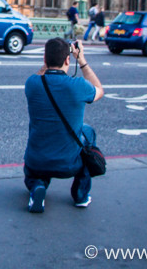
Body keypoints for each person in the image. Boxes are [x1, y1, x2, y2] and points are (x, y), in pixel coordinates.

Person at [23, 38, 104, 213]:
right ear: (68, 60)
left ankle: (37, 185)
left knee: (33, 172)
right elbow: (99, 89)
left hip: (37, 161)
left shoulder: (32, 84)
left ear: (44, 59)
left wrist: (48, 62)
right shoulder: (79, 86)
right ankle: (80, 195)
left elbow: (41, 73)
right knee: (88, 132)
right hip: (69, 164)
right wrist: (81, 60)